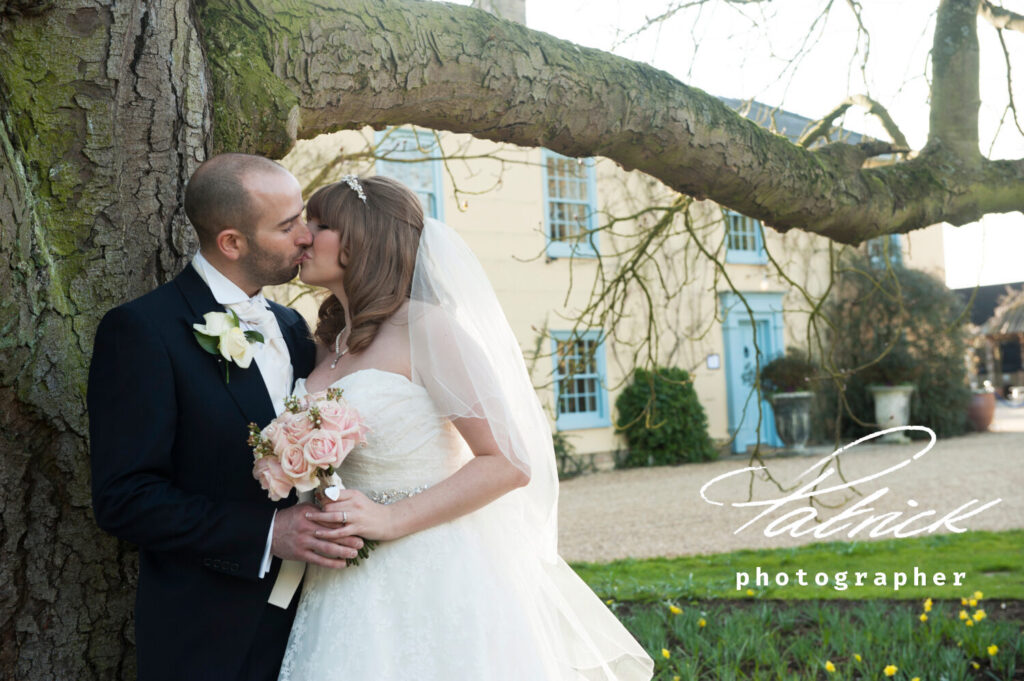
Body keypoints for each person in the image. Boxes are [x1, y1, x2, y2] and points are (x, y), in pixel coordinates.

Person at [277, 174, 654, 680]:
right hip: (340, 579)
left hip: (430, 566)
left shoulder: (427, 327)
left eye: (320, 224)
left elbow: (508, 462)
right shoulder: (326, 343)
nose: (304, 235)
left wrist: (388, 520)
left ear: (363, 239)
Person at [88, 154, 363, 681]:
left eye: (303, 217)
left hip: (320, 623)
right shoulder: (143, 331)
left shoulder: (290, 326)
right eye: (287, 226)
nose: (307, 236)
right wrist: (267, 533)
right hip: (208, 632)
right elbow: (124, 497)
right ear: (232, 242)